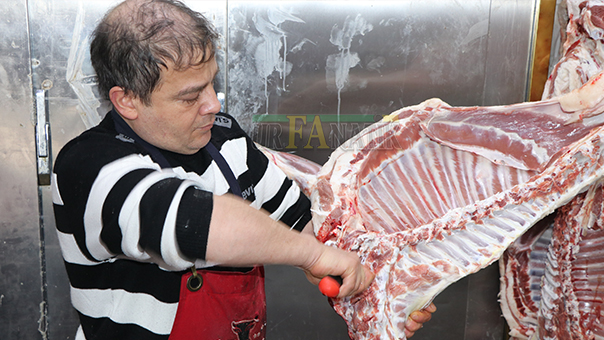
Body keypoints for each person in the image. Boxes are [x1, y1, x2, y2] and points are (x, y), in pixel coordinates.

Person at [51, 0, 434, 339]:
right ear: (127, 100)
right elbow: (194, 224)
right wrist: (313, 258)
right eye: (189, 96)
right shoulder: (88, 166)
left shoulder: (226, 139)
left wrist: (383, 292)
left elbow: (306, 226)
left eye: (211, 84)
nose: (212, 105)